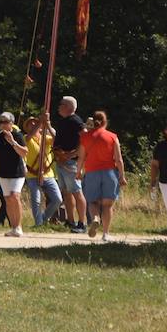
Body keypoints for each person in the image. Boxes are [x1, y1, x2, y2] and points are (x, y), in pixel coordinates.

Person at [77, 110, 126, 241]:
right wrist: (122, 176)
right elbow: (119, 159)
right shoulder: (112, 136)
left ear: (94, 121)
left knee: (93, 202)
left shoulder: (85, 137)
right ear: (105, 122)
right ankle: (106, 234)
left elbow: (81, 158)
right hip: (110, 173)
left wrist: (78, 173)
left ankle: (95, 218)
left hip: (92, 173)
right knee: (107, 205)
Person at [0, 112, 28, 237]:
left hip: (17, 172)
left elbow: (24, 153)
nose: (2, 124)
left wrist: (12, 142)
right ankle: (14, 227)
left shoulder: (17, 135)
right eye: (1, 122)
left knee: (15, 196)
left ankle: (19, 226)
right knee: (8, 199)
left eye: (5, 122)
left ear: (11, 123)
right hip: (3, 173)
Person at [52, 96, 88, 233]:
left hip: (70, 162)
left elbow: (85, 138)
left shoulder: (75, 120)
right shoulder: (64, 121)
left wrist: (73, 154)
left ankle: (82, 223)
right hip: (62, 161)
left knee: (77, 192)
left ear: (68, 106)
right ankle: (70, 221)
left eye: (61, 104)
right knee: (67, 192)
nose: (59, 106)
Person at [23, 115, 63, 228]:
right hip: (32, 175)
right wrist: (41, 122)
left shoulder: (46, 138)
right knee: (36, 199)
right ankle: (38, 223)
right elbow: (29, 137)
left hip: (47, 174)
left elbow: (56, 138)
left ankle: (44, 218)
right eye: (30, 123)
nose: (33, 124)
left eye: (34, 123)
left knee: (57, 199)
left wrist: (48, 125)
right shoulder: (26, 137)